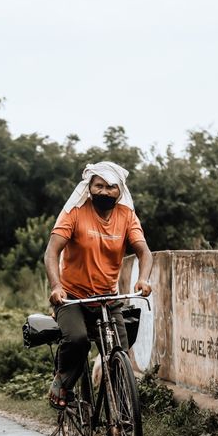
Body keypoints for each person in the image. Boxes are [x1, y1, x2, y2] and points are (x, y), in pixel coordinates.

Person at [44, 160, 152, 409]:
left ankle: (122, 411)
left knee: (119, 352)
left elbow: (144, 252)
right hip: (72, 297)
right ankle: (62, 382)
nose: (104, 191)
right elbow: (51, 252)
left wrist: (143, 278)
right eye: (99, 186)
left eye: (111, 187)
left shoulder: (126, 216)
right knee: (78, 340)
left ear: (119, 191)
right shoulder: (75, 212)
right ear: (89, 188)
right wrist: (56, 286)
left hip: (107, 298)